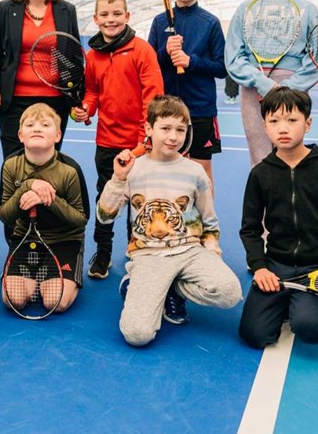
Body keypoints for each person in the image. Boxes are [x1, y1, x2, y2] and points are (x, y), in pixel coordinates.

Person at [97, 95, 242, 346]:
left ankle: (172, 289)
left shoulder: (194, 171)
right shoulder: (133, 169)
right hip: (149, 255)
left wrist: (212, 253)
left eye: (180, 130)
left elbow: (209, 220)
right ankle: (136, 283)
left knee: (230, 293)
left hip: (190, 251)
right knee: (137, 335)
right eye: (165, 128)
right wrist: (118, 180)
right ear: (149, 129)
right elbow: (104, 216)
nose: (173, 137)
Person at [238, 87, 318, 348]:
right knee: (254, 335)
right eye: (274, 121)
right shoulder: (261, 174)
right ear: (265, 125)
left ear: (307, 123)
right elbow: (249, 229)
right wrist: (260, 266)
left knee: (309, 328)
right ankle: (290, 302)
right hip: (278, 266)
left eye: (292, 120)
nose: (282, 129)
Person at [72, 0, 163, 280]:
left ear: (127, 16)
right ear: (96, 19)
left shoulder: (142, 50)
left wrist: (142, 143)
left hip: (139, 146)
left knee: (139, 202)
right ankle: (104, 253)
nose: (111, 19)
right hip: (106, 143)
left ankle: (136, 249)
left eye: (117, 14)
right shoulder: (92, 55)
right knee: (106, 201)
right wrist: (86, 109)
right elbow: (93, 91)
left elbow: (153, 98)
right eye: (105, 15)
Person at [225, 0, 318, 170]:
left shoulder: (309, 10)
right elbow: (233, 58)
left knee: (292, 156)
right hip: (253, 93)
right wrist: (265, 85)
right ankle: (263, 206)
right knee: (259, 158)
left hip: (295, 93)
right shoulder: (244, 9)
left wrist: (288, 88)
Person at [0, 0, 81, 161]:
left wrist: (77, 97)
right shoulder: (5, 9)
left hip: (56, 101)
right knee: (13, 166)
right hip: (15, 102)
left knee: (49, 165)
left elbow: (73, 57)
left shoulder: (67, 10)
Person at [0, 103, 88, 313]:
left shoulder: (70, 170)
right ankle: (37, 277)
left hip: (64, 240)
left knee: (55, 303)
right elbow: (5, 216)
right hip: (25, 239)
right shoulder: (11, 165)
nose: (37, 128)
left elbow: (81, 219)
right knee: (14, 300)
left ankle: (66, 274)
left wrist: (48, 198)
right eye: (30, 125)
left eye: (45, 124)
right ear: (20, 135)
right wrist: (27, 187)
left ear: (57, 135)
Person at [146, 0, 227, 188]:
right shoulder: (159, 21)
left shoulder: (210, 22)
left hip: (201, 109)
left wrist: (191, 61)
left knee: (202, 173)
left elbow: (222, 68)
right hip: (166, 109)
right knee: (166, 171)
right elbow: (149, 65)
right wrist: (165, 51)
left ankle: (205, 224)